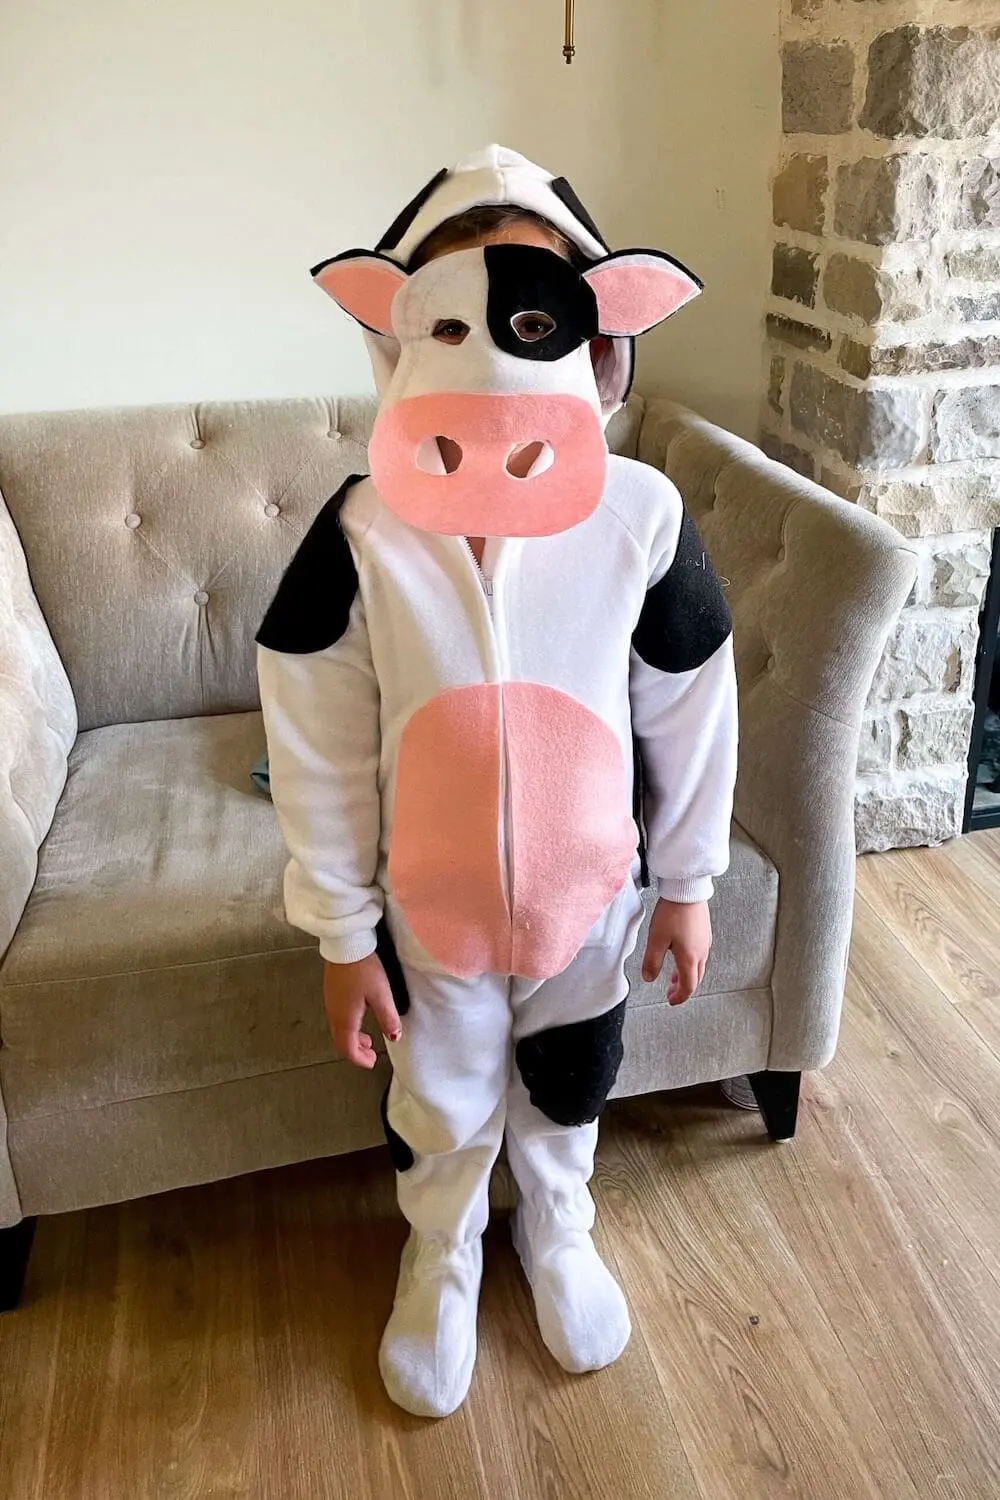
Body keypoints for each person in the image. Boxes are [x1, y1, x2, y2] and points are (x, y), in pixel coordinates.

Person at [257, 146, 738, 1418]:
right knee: (444, 1088)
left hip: (589, 898)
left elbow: (690, 706)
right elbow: (311, 727)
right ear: (405, 338)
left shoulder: (640, 517)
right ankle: (444, 1247)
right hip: (435, 905)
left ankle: (558, 1227)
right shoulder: (365, 531)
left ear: (592, 347)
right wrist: (341, 930)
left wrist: (685, 884)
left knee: (573, 1068)